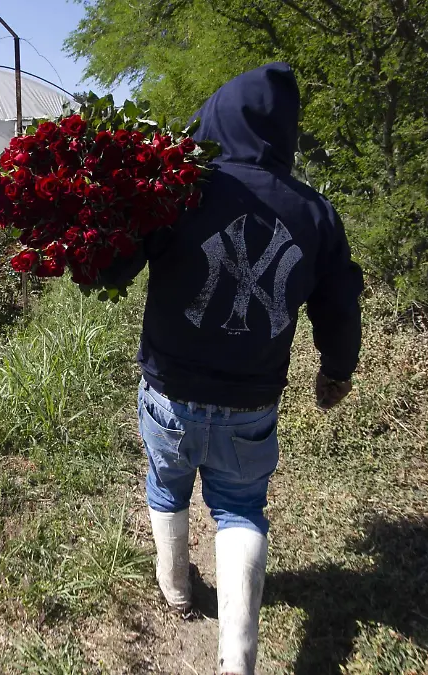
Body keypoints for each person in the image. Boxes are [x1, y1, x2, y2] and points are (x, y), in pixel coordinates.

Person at [107, 62, 363, 675]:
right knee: (241, 508)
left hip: (170, 388)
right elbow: (340, 301)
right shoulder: (317, 213)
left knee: (166, 485)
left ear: (216, 116)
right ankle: (237, 662)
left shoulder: (179, 188)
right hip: (252, 400)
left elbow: (115, 264)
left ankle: (175, 591)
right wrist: (337, 369)